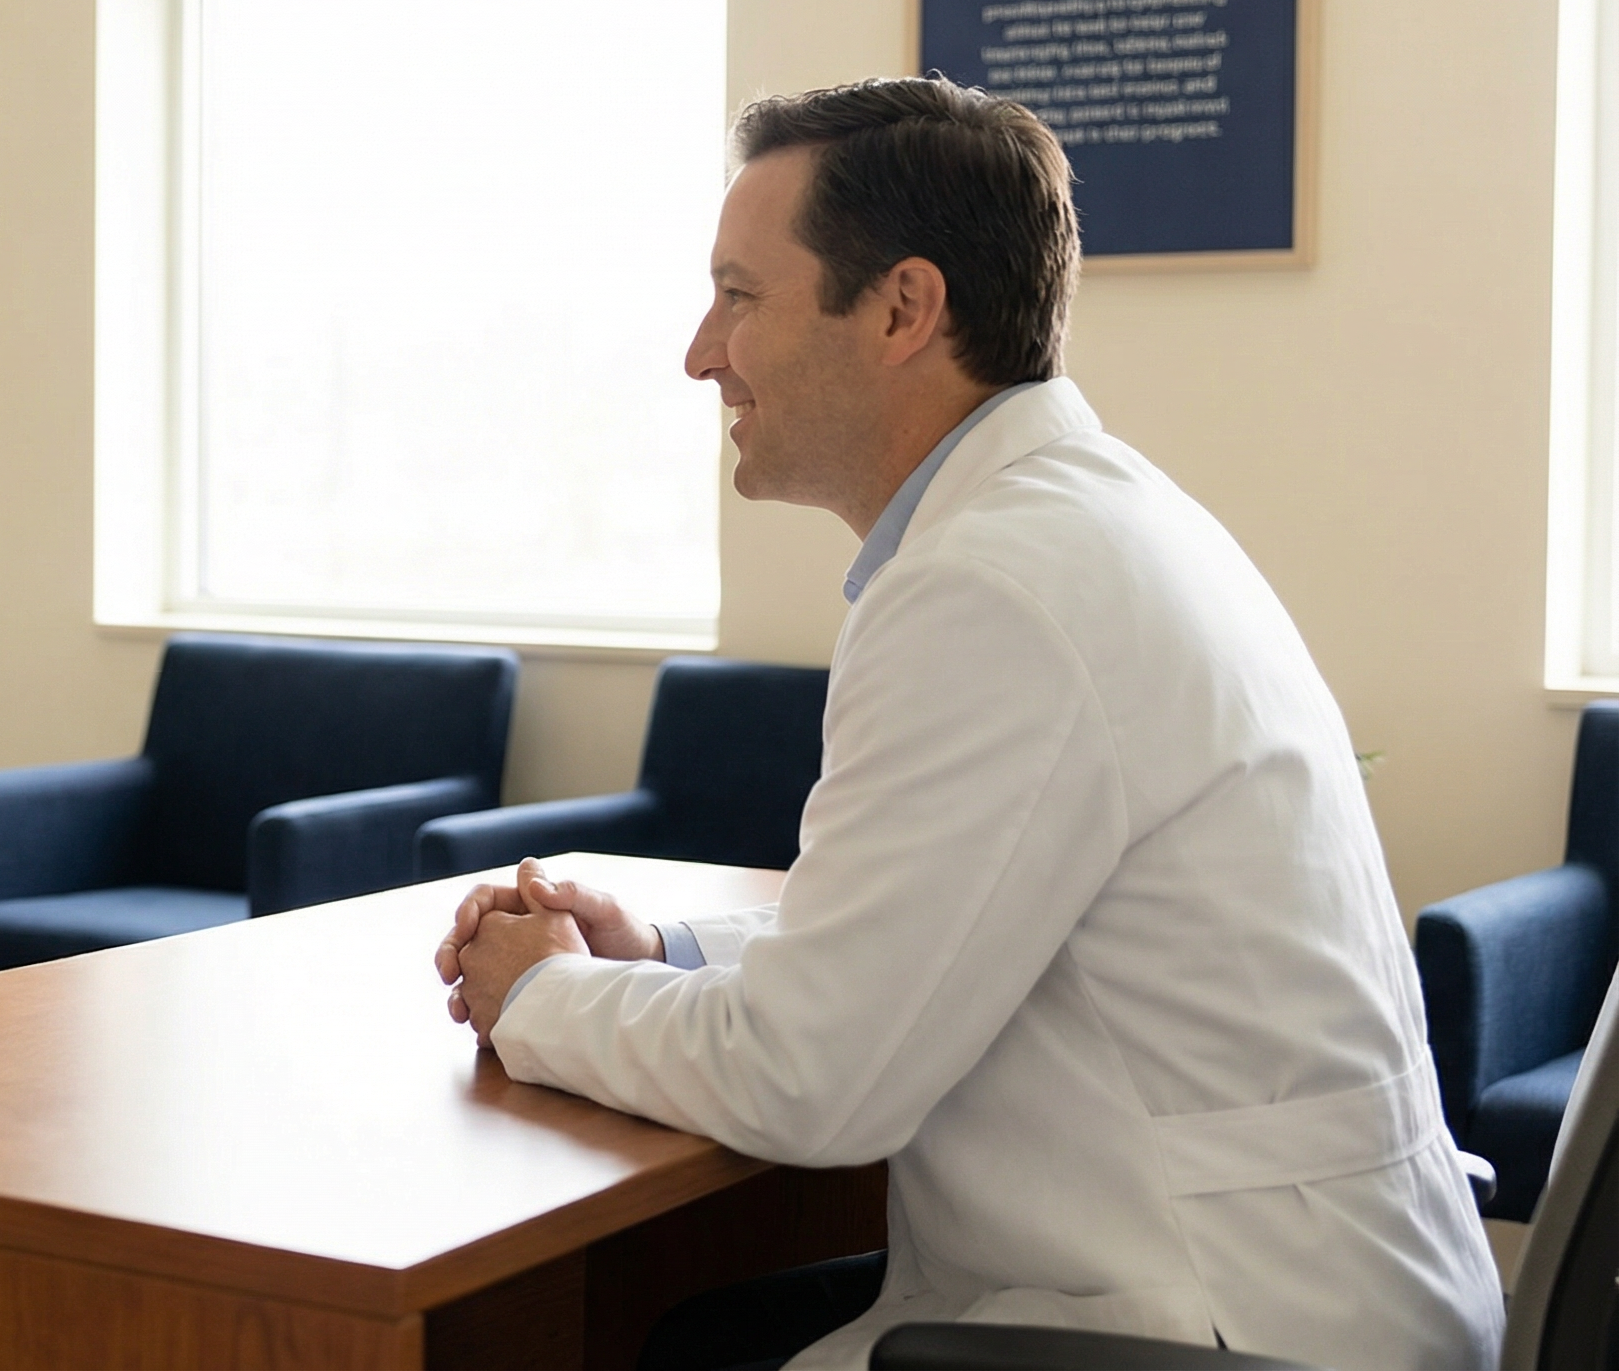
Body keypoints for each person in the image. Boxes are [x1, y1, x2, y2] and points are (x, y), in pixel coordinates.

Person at [433, 79, 1501, 1370]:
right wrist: (662, 949)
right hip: (1297, 1287)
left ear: (902, 309)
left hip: (1221, 1329)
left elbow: (809, 1078)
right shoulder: (1081, 525)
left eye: (741, 295)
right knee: (683, 1331)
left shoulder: (991, 588)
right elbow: (922, 924)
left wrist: (540, 993)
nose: (702, 351)